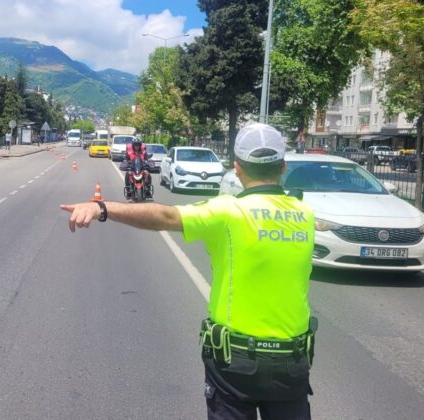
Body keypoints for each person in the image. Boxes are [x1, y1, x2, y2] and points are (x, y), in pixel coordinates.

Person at [60, 123, 316, 420]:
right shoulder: (305, 215)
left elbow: (165, 215)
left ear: (237, 168)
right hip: (292, 363)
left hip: (236, 363)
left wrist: (103, 208)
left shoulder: (229, 212)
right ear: (283, 167)